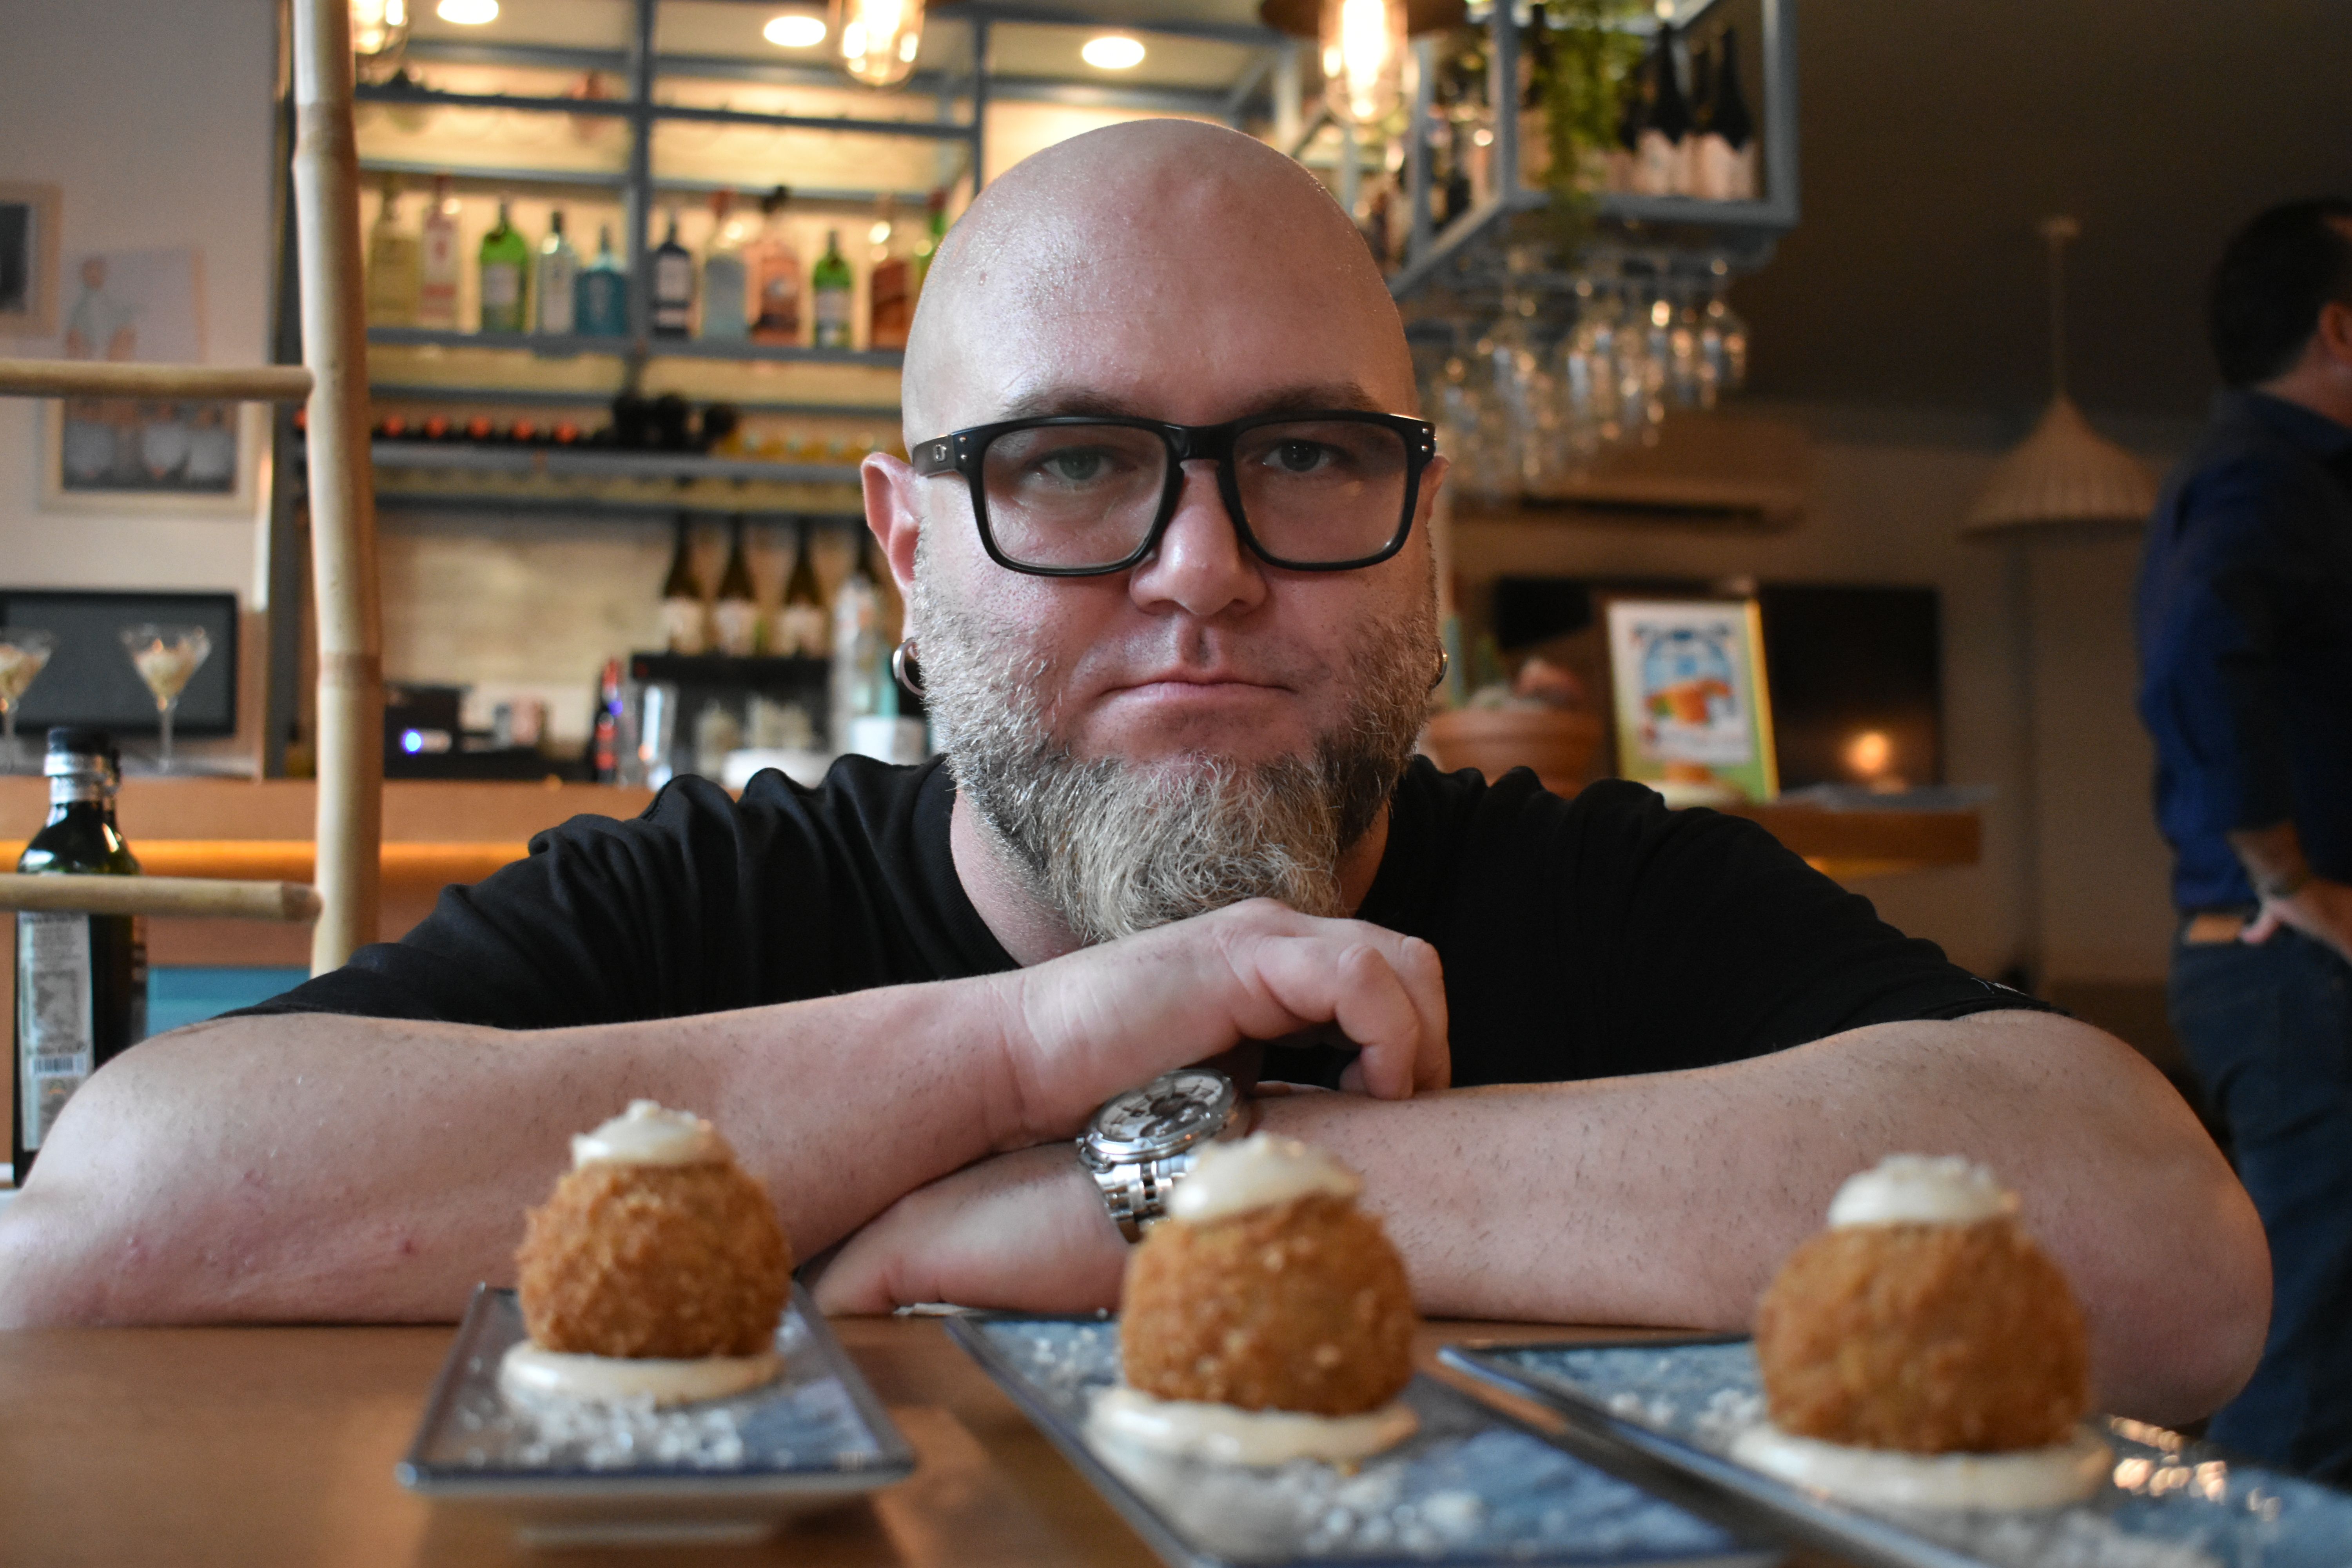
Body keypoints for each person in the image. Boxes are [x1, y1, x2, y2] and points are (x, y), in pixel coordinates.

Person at [0, 123, 2265, 1427]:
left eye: (1303, 454)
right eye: (1073, 463)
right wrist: (1044, 1037)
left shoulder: (1611, 898)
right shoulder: (706, 909)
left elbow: (2171, 1249)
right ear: (907, 550)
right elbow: (97, 1221)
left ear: (1427, 526)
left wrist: (1141, 1196)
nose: (1206, 569)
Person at [2136, 197, 2352, 1480]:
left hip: (2283, 959)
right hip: (2289, 959)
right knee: (2315, 1361)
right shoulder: (2269, 477)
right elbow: (2195, 662)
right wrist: (2292, 874)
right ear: (2340, 328)